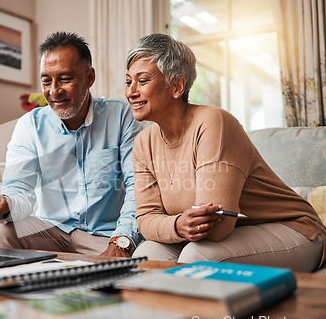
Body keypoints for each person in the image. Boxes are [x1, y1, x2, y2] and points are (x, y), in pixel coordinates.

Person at [126, 33, 326, 272]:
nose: (131, 92)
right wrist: (179, 225)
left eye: (143, 80)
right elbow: (146, 219)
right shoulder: (143, 143)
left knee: (196, 256)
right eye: (128, 82)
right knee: (145, 257)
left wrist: (174, 225)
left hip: (293, 230)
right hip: (227, 237)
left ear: (177, 86)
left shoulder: (214, 123)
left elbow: (217, 227)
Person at [0, 32, 143, 257]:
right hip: (51, 231)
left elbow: (138, 185)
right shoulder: (30, 125)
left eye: (65, 79)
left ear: (89, 78)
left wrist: (121, 241)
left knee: (143, 257)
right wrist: (5, 203)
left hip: (105, 236)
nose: (54, 91)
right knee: (1, 233)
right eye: (46, 80)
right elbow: (19, 189)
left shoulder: (120, 116)